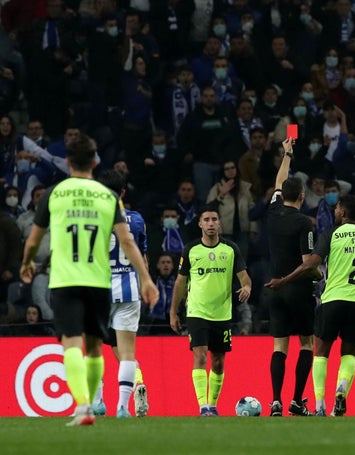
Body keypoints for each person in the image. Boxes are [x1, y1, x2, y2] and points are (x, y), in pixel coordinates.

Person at [19, 133, 158, 426]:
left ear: (67, 161)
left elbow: (33, 239)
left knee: (72, 344)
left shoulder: (54, 193)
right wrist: (146, 278)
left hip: (65, 280)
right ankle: (118, 406)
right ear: (95, 161)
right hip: (100, 282)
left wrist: (28, 262)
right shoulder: (107, 198)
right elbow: (129, 243)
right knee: (98, 347)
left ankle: (85, 405)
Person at [267, 195, 355, 417]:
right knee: (349, 353)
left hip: (334, 299)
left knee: (321, 353)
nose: (335, 211)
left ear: (343, 213)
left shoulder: (332, 234)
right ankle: (342, 391)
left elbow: (311, 264)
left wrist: (284, 280)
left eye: (337, 209)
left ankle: (320, 405)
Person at [169, 204, 252, 416]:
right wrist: (173, 311)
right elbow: (180, 282)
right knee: (200, 357)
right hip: (197, 312)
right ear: (200, 224)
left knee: (218, 362)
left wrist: (247, 287)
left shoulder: (231, 249)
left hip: (222, 313)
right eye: (206, 220)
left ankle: (213, 405)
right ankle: (203, 406)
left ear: (219, 222)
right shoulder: (190, 250)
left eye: (214, 219)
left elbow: (244, 277)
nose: (211, 223)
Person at [91, 169, 150, 418]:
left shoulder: (91, 218)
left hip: (98, 290)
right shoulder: (136, 220)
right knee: (127, 353)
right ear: (123, 192)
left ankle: (97, 401)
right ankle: (123, 407)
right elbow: (143, 258)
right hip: (129, 289)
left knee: (93, 348)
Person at [264, 138, 317, 417]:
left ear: (282, 195)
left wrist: (287, 154)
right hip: (297, 289)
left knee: (279, 346)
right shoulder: (303, 223)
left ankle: (275, 401)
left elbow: (278, 180)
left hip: (274, 291)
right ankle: (297, 400)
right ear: (302, 196)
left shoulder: (272, 211)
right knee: (307, 342)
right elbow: (308, 264)